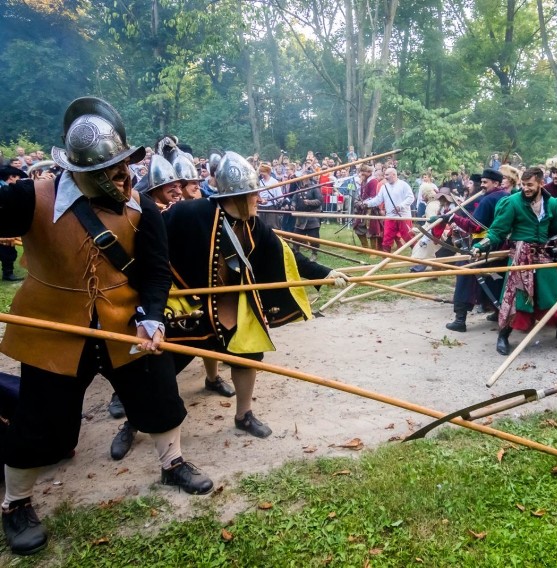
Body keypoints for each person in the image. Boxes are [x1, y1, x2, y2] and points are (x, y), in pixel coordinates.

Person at [0, 97, 214, 555]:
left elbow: (156, 271)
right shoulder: (29, 198)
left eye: (126, 166)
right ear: (85, 172)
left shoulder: (143, 208)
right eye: (115, 170)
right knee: (39, 421)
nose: (127, 177)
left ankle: (172, 462)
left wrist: (152, 317)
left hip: (123, 325)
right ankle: (16, 504)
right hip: (54, 328)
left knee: (159, 395)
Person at [159, 152, 348, 439]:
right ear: (235, 196)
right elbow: (153, 239)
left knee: (247, 353)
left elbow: (286, 254)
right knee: (163, 366)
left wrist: (324, 274)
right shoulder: (189, 214)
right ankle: (134, 422)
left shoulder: (254, 225)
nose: (258, 199)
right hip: (189, 303)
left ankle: (243, 415)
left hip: (232, 305)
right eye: (252, 195)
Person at [472, 167, 557, 354]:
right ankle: (503, 336)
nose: (526, 188)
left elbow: (554, 228)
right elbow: (498, 230)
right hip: (520, 256)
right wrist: (480, 246)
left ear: (541, 183)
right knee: (515, 298)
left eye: (530, 184)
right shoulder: (512, 203)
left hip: (542, 255)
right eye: (523, 184)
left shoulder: (553, 205)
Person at [443, 168, 508, 332]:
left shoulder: (488, 200)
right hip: (502, 245)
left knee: (465, 273)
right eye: (482, 182)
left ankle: (460, 320)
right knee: (496, 276)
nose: (483, 185)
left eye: (486, 182)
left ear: (496, 183)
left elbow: (475, 226)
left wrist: (452, 218)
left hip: (483, 245)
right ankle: (497, 310)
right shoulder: (507, 197)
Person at [362, 167, 414, 252]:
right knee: (387, 238)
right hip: (390, 216)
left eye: (387, 175)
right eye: (384, 175)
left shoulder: (404, 185)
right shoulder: (384, 187)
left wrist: (400, 206)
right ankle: (385, 258)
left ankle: (417, 254)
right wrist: (366, 204)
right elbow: (378, 200)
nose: (385, 177)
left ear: (394, 175)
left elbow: (411, 198)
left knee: (409, 237)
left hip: (403, 216)